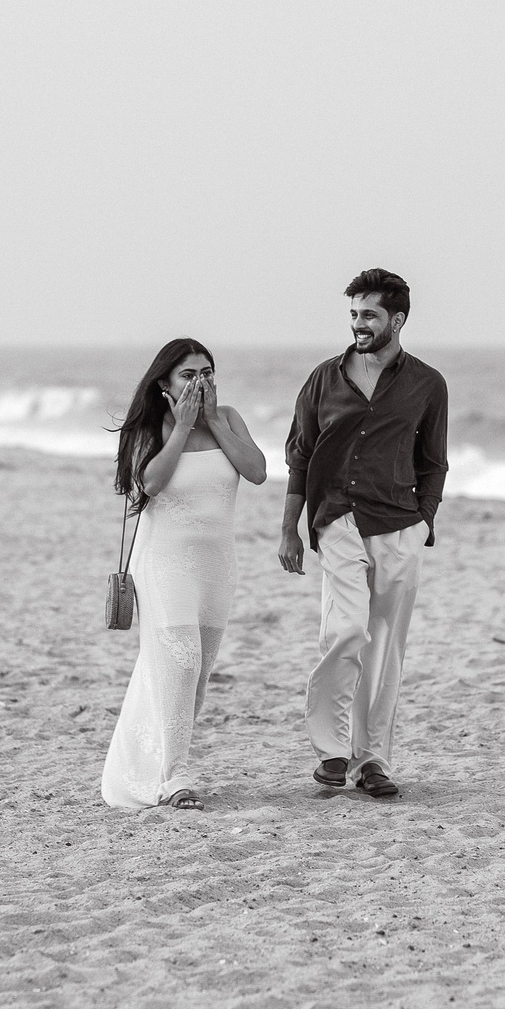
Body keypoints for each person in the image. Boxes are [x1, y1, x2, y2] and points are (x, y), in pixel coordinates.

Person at [278, 269, 448, 800]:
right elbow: (300, 454)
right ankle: (332, 750)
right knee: (346, 630)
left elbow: (433, 462)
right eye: (353, 314)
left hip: (400, 526)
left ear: (397, 320)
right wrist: (291, 529)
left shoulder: (427, 384)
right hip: (337, 520)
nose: (358, 324)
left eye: (369, 314)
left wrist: (425, 521)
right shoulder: (324, 378)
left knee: (386, 649)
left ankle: (371, 759)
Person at [100, 338, 267, 810]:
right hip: (164, 562)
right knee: (181, 660)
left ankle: (156, 765)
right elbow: (148, 484)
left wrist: (212, 420)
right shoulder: (149, 426)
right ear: (164, 384)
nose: (201, 381)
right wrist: (183, 428)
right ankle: (175, 776)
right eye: (189, 374)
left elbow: (255, 471)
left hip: (217, 565)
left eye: (207, 372)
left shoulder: (228, 418)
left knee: (195, 674)